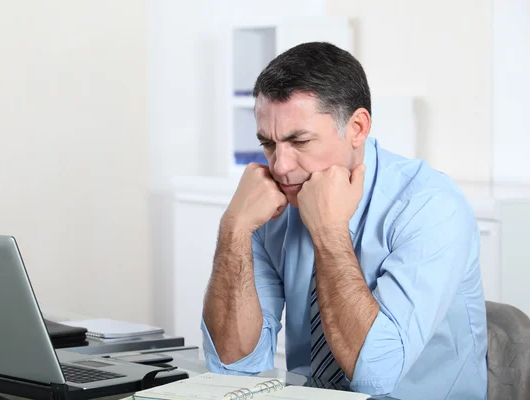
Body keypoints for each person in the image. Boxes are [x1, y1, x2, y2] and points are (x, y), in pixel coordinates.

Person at [200, 42, 488, 399]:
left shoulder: (430, 207)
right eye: (268, 144)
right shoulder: (272, 203)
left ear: (357, 128)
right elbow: (233, 365)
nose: (280, 166)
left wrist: (328, 231)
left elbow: (375, 377)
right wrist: (235, 229)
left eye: (299, 141)